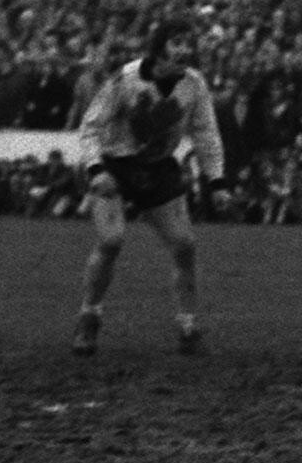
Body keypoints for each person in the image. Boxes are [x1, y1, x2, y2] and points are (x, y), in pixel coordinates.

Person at [71, 18, 227, 356]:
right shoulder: (124, 80)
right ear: (160, 49)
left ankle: (188, 327)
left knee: (185, 245)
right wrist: (96, 169)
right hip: (116, 167)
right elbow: (90, 126)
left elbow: (206, 133)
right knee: (111, 241)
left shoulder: (194, 85)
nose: (185, 50)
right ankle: (89, 317)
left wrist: (217, 180)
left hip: (157, 169)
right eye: (177, 43)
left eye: (189, 43)